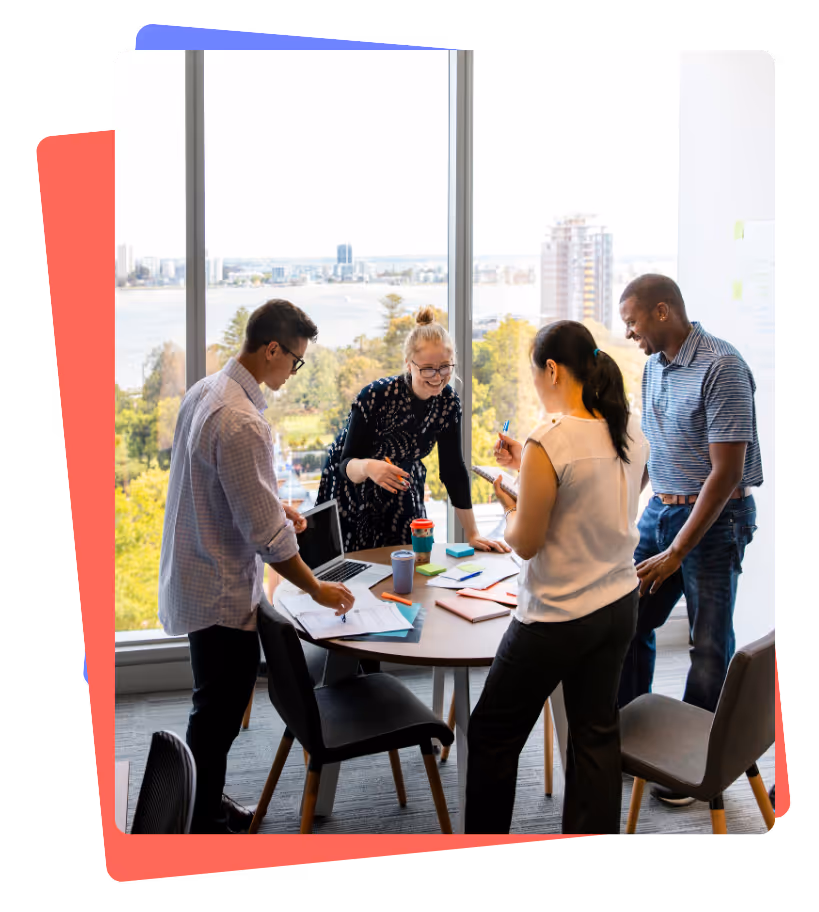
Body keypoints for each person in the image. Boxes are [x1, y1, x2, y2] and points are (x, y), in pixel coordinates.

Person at [158, 299, 355, 834]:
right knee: (216, 719)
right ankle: (200, 827)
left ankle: (206, 801)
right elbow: (268, 539)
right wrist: (316, 588)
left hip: (196, 573)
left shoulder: (207, 391)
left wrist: (276, 507)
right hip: (222, 591)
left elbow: (225, 490)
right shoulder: (242, 420)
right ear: (272, 349)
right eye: (295, 361)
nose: (293, 372)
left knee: (211, 709)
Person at [464, 320, 650, 835]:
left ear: (551, 369)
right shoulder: (630, 427)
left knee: (493, 733)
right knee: (594, 735)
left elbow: (524, 542)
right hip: (616, 605)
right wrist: (530, 470)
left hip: (556, 618)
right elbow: (595, 499)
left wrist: (511, 498)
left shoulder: (550, 437)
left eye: (535, 375)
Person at [616, 274, 763, 806]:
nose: (629, 332)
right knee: (629, 619)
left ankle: (693, 767)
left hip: (716, 521)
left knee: (707, 645)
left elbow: (726, 473)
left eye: (632, 320)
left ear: (661, 312)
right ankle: (628, 735)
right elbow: (654, 449)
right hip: (662, 512)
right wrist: (628, 510)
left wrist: (678, 551)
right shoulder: (653, 368)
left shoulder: (722, 366)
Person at [316, 305, 509, 555]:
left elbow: (453, 471)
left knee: (410, 559)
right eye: (427, 369)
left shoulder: (448, 402)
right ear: (409, 364)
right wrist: (368, 467)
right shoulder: (375, 396)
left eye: (445, 367)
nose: (438, 377)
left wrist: (473, 534)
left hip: (401, 480)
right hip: (352, 485)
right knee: (358, 568)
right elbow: (345, 465)